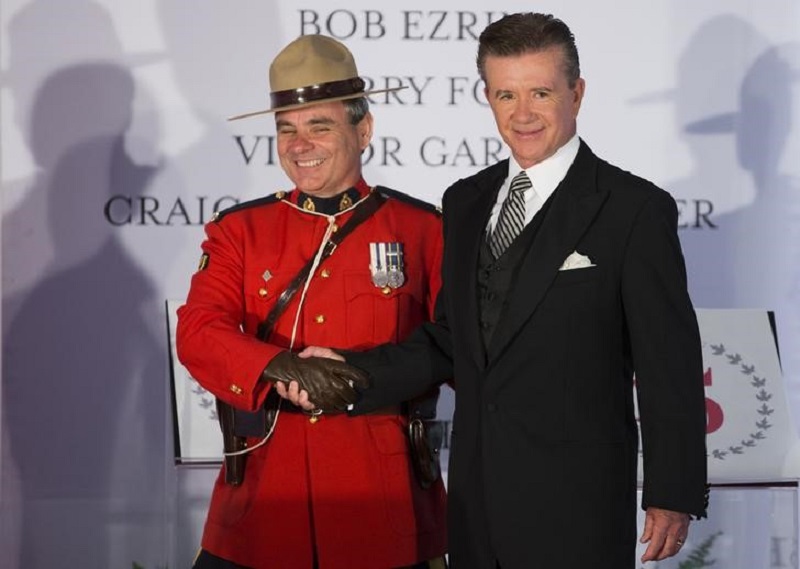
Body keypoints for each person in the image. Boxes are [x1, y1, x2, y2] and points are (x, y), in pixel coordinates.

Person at [293, 12, 708, 569]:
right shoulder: (465, 201)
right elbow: (449, 340)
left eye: (540, 92)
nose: (523, 114)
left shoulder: (632, 209)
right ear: (487, 97)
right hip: (474, 503)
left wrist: (672, 493)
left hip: (577, 507)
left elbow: (669, 365)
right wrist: (350, 374)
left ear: (576, 93)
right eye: (505, 94)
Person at [176, 34, 448, 569]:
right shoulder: (239, 231)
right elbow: (197, 329)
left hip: (382, 502)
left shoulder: (423, 230)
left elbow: (454, 346)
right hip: (261, 501)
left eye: (319, 126)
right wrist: (275, 363)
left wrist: (364, 378)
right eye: (287, 130)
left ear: (363, 129)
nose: (300, 145)